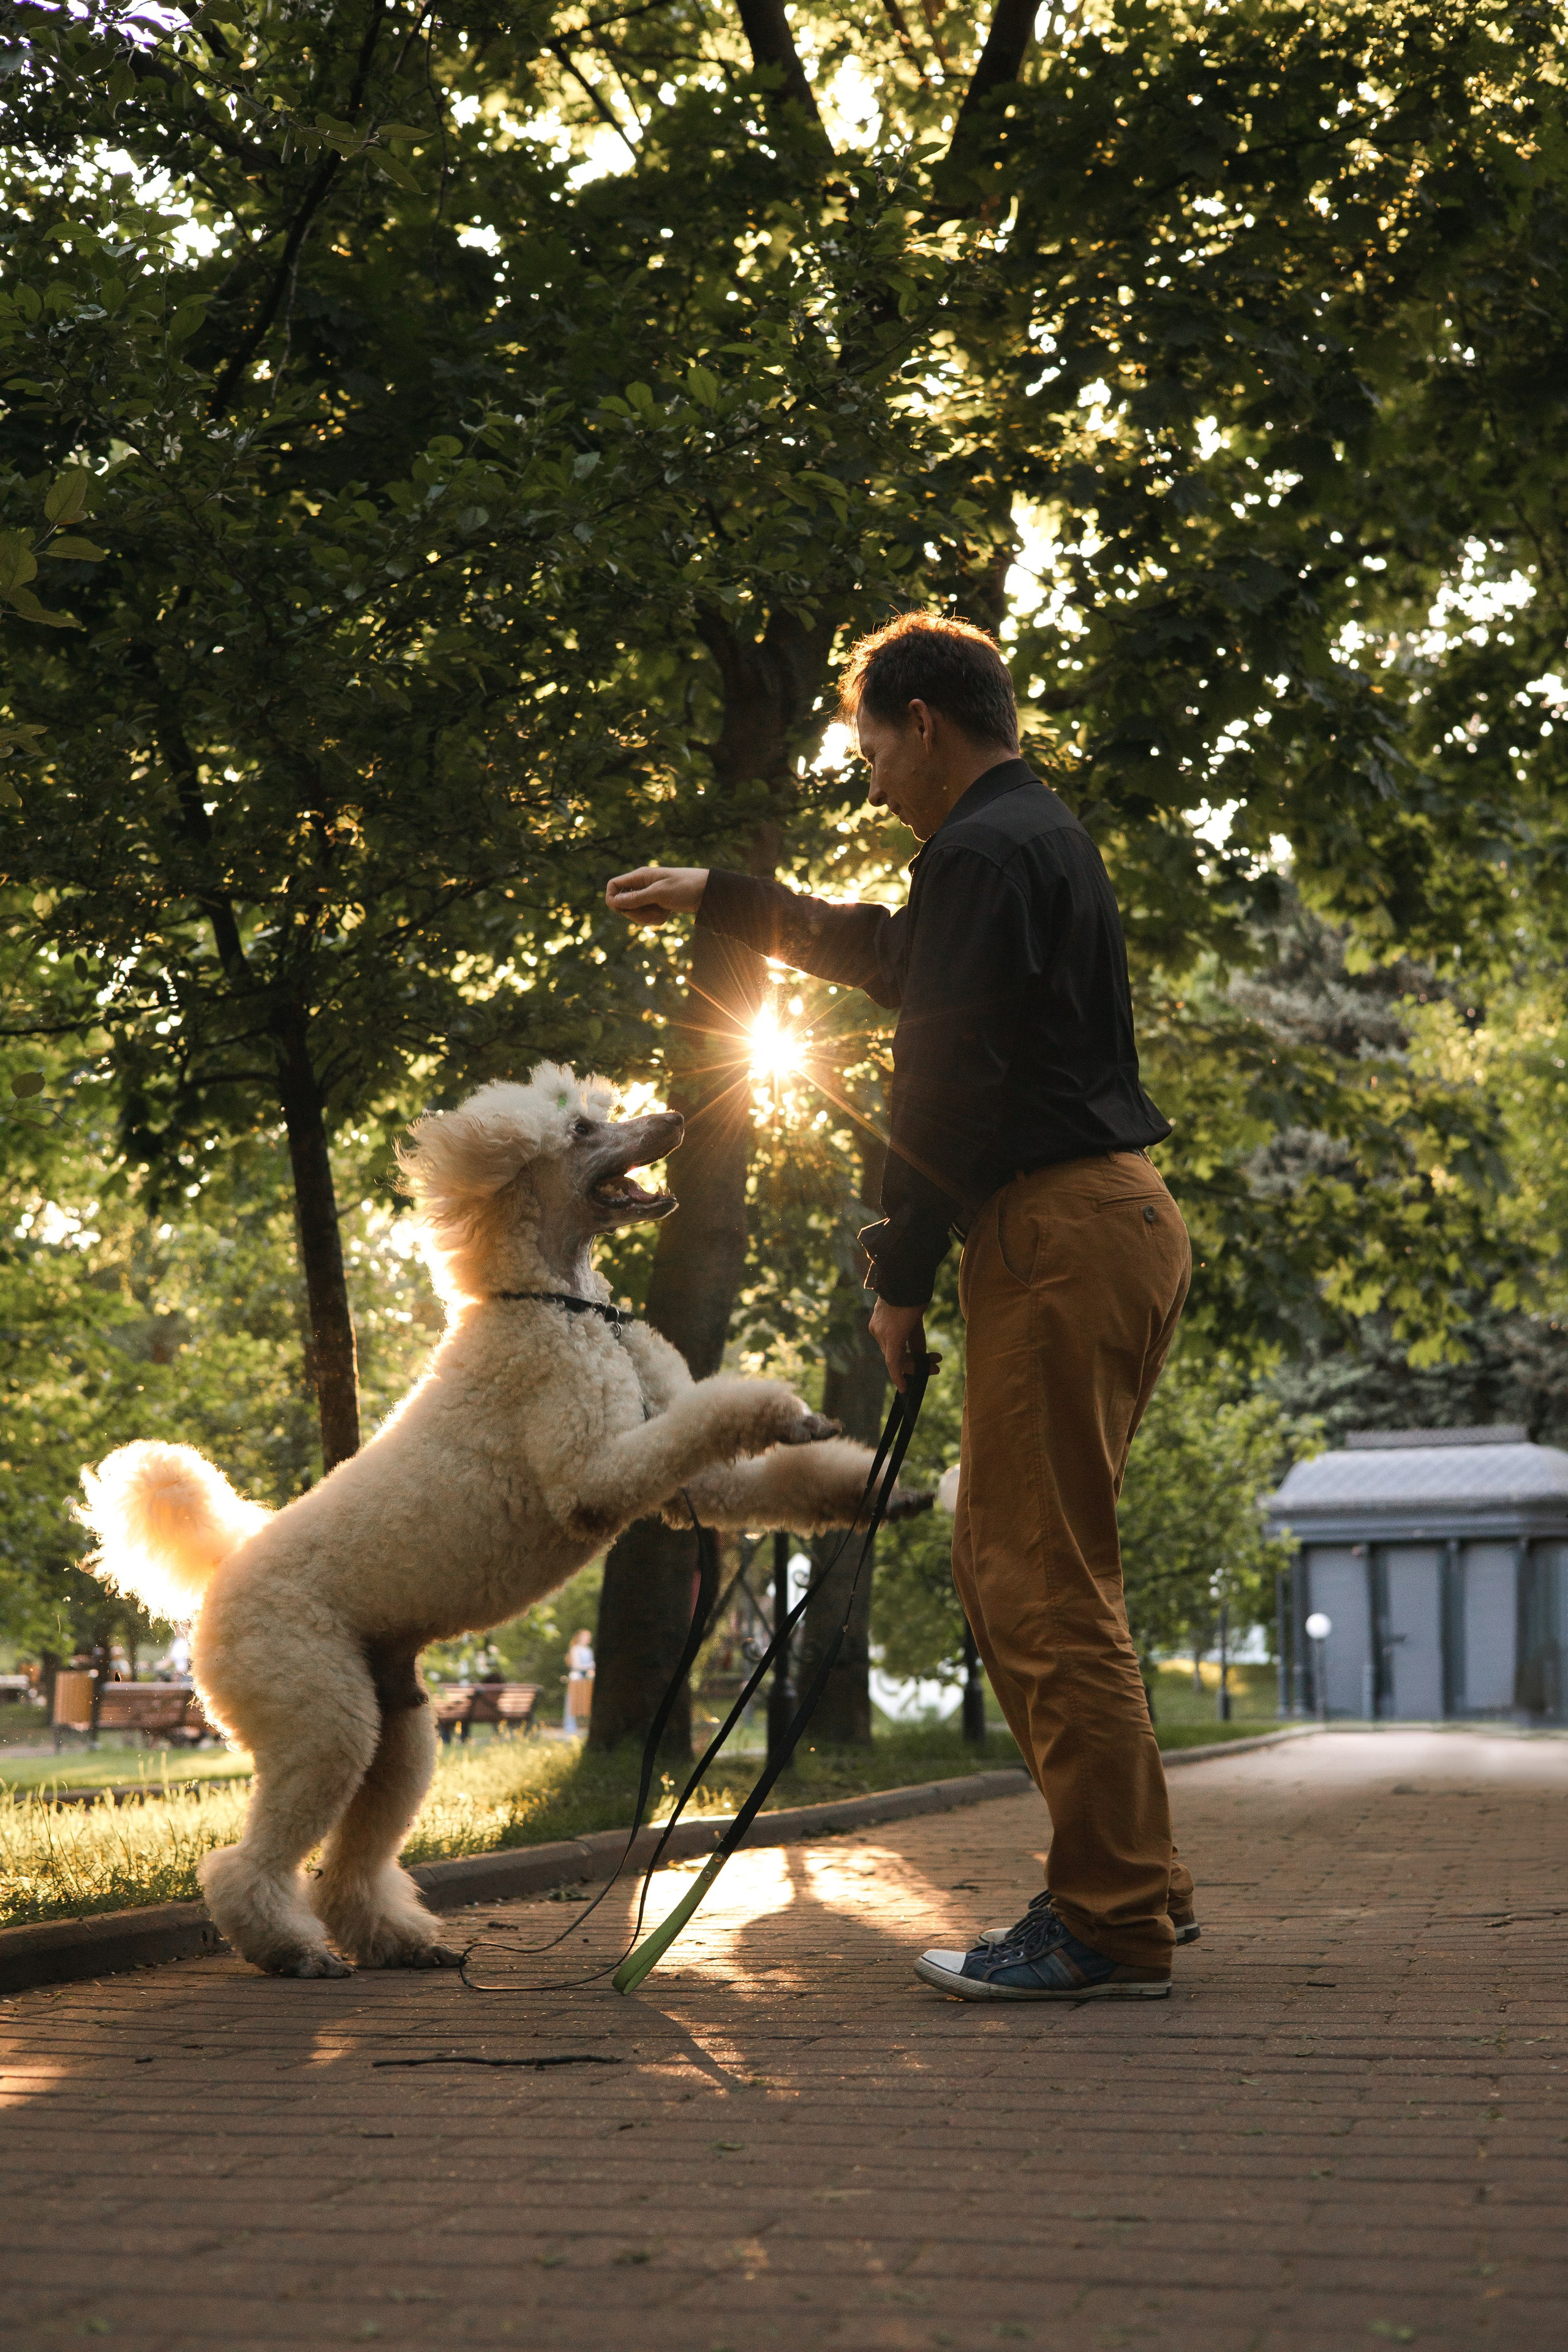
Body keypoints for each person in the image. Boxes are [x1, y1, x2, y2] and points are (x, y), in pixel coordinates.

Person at [605, 611, 1195, 2001]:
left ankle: (1108, 1918)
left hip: (1052, 1228)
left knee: (1030, 1579)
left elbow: (938, 1070)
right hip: (1097, 1220)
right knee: (1050, 1572)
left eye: (866, 740)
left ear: (922, 721)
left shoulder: (985, 847)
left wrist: (896, 1270)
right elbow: (892, 962)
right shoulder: (1017, 839)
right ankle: (1139, 1881)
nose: (863, 769)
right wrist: (726, 893)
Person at [564, 1629, 595, 1737]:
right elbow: (576, 1666)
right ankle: (570, 1727)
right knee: (572, 1703)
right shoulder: (575, 1649)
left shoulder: (589, 1650)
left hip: (587, 1679)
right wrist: (590, 1666)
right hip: (576, 1679)